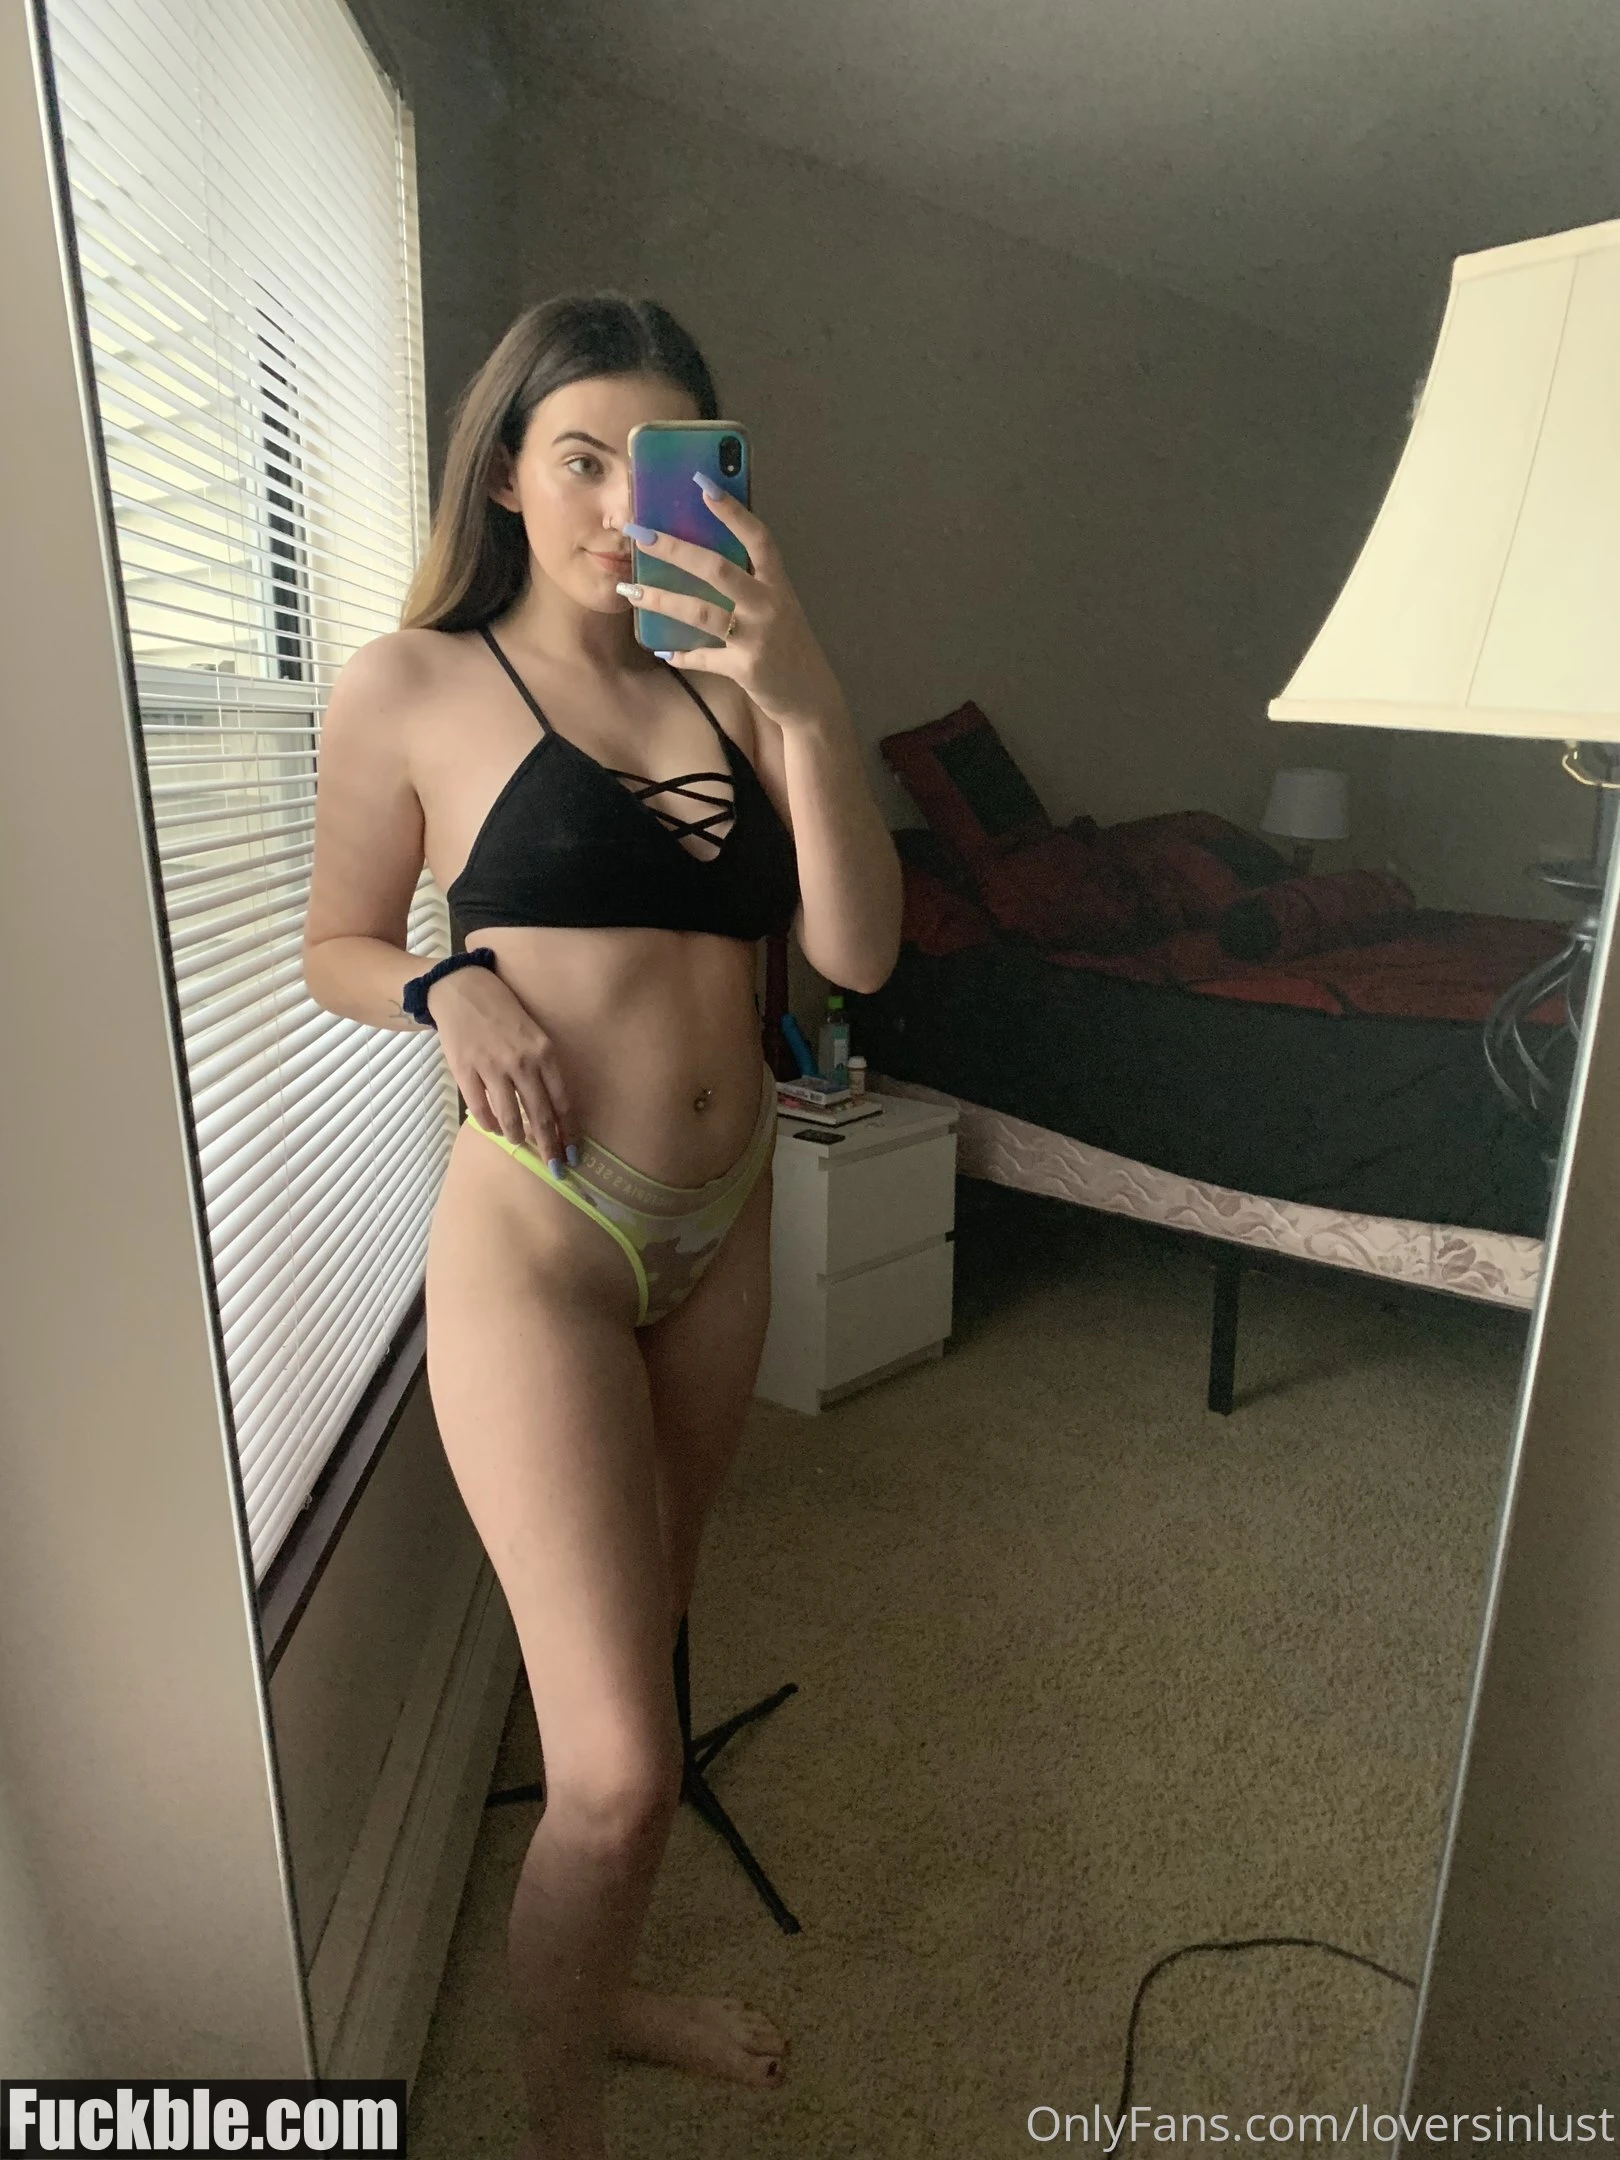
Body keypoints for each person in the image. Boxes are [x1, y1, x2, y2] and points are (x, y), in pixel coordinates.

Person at [301, 293, 902, 2159]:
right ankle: (559, 2121)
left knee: (657, 1627)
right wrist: (443, 987)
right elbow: (332, 942)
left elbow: (857, 952)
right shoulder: (413, 684)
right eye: (580, 458)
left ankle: (612, 1995)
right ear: (505, 470)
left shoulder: (734, 688)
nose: (619, 503)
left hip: (727, 1221)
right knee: (623, 1773)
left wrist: (803, 687)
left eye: (660, 466)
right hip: (544, 1239)